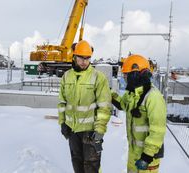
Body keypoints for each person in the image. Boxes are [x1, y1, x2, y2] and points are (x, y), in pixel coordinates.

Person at [58, 40, 112, 173]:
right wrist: (63, 123)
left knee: (91, 167)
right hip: (72, 131)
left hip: (90, 132)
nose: (84, 61)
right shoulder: (67, 76)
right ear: (74, 57)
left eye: (87, 58)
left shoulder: (98, 77)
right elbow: (62, 102)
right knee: (77, 164)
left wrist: (99, 131)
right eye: (81, 58)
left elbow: (104, 107)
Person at [111, 54, 166, 173]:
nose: (124, 78)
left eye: (126, 75)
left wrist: (147, 156)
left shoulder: (153, 97)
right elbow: (122, 105)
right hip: (133, 154)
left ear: (135, 74)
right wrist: (109, 94)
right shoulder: (131, 93)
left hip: (147, 158)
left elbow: (158, 130)